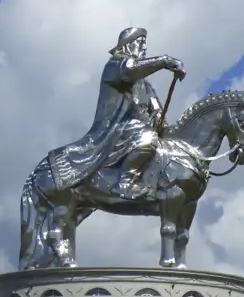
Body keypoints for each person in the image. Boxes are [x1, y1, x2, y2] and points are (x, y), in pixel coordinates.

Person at [46, 27, 186, 200]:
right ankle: (125, 182)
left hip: (139, 129)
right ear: (128, 46)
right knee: (147, 138)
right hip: (118, 129)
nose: (144, 48)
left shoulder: (145, 84)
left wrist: (162, 124)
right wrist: (165, 61)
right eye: (140, 43)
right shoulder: (115, 66)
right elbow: (129, 70)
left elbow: (155, 109)